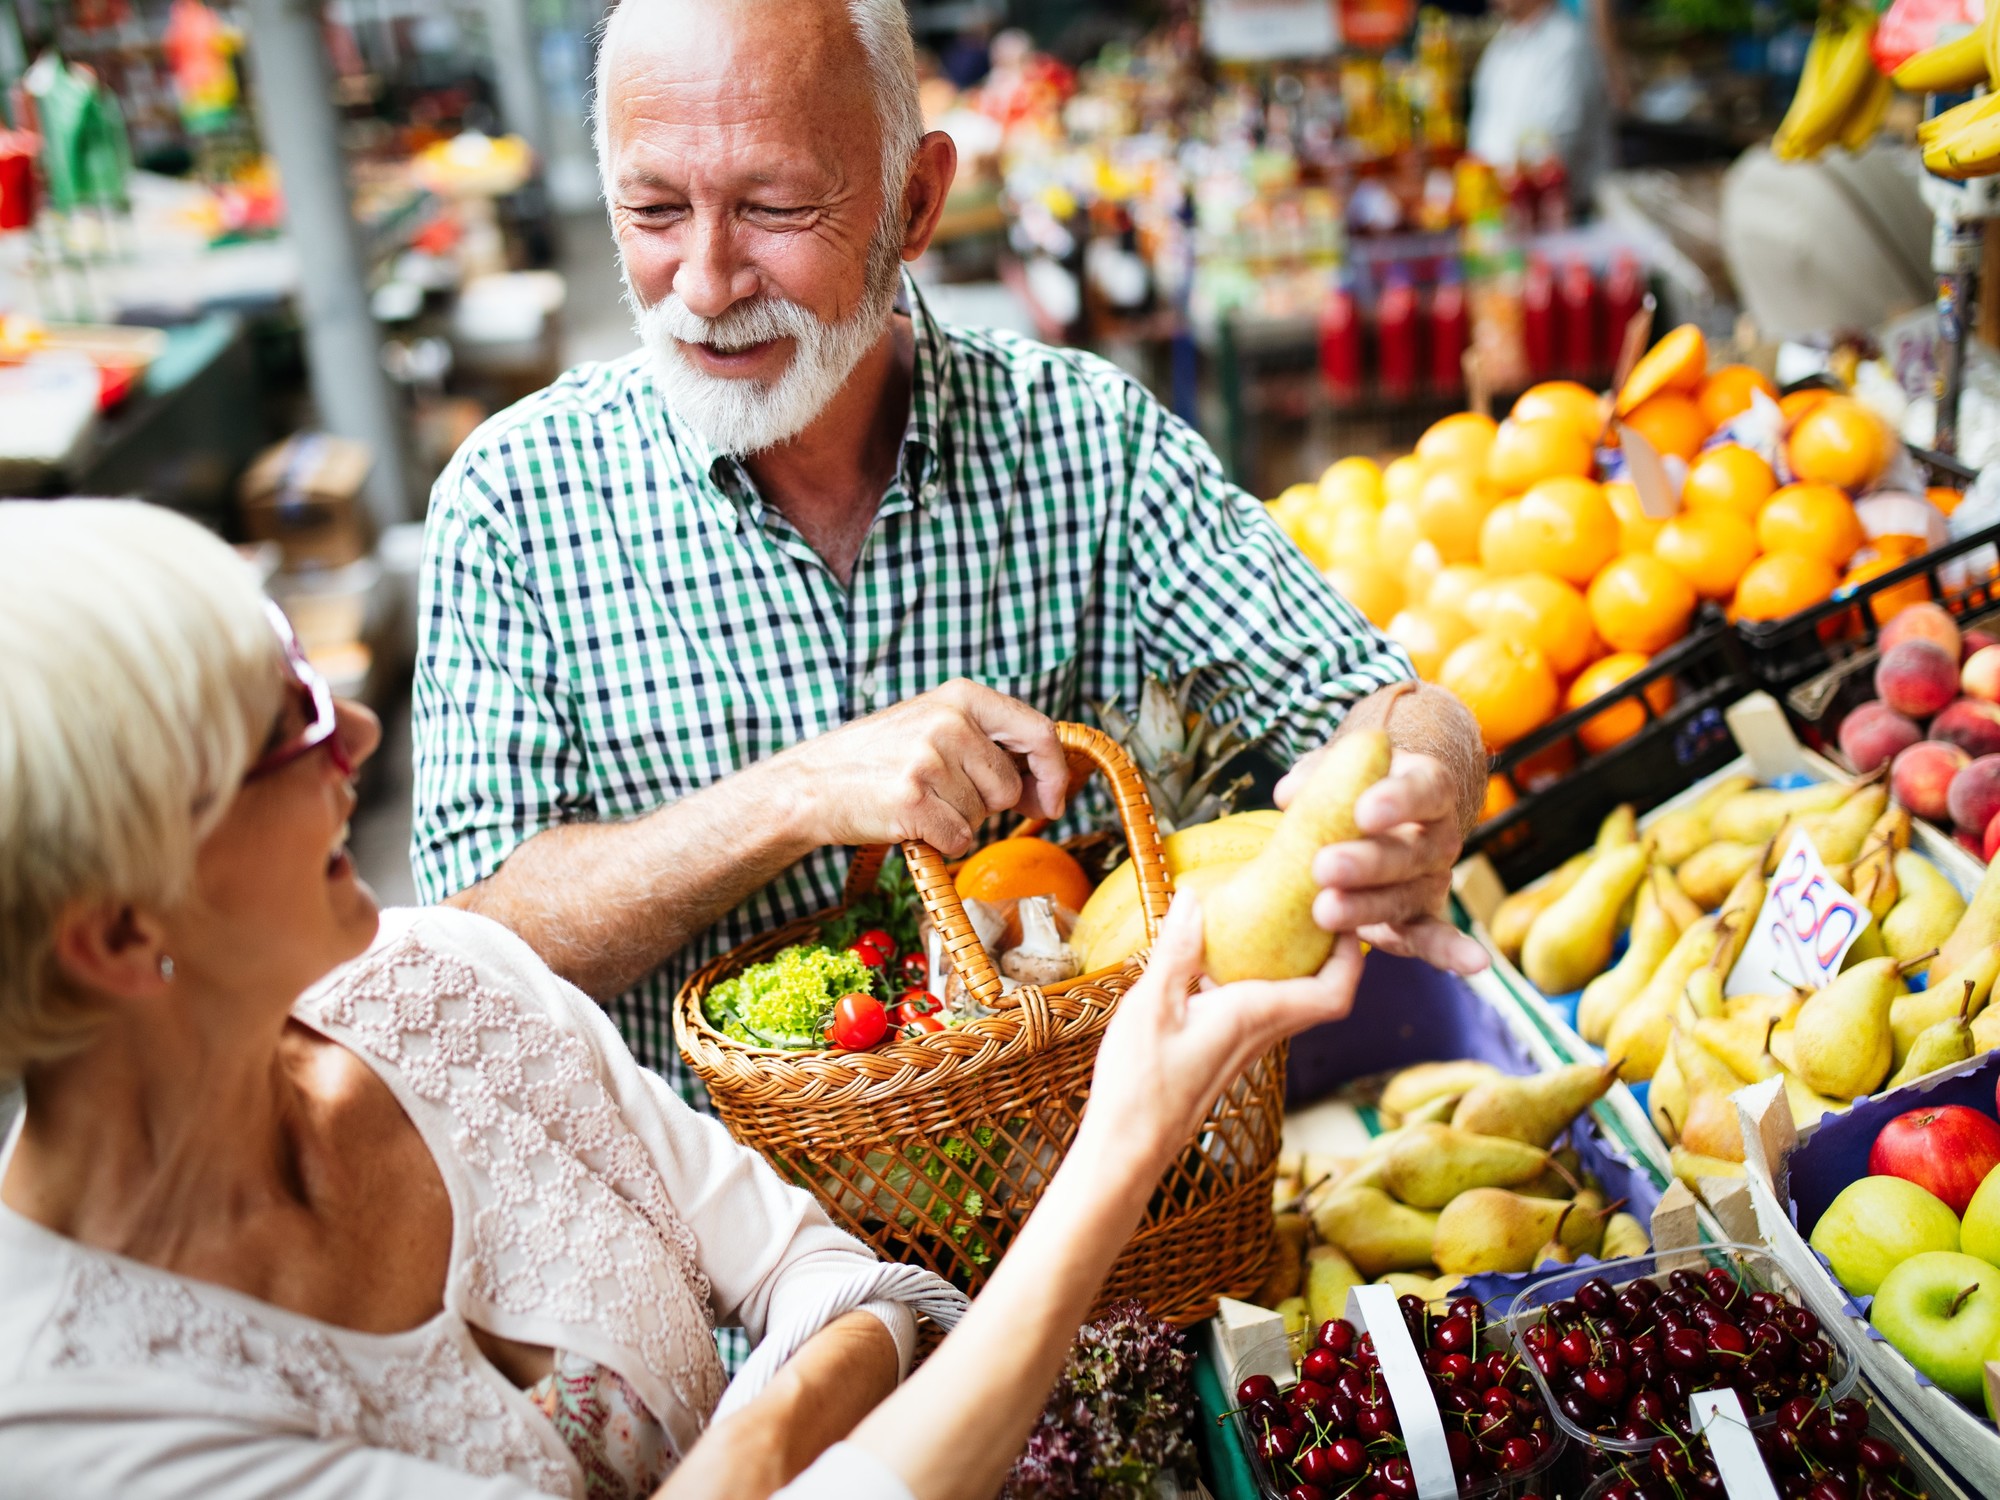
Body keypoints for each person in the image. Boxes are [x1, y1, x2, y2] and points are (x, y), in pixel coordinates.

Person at [0, 499, 1367, 1500]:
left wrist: (753, 1453)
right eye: (287, 724)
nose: (358, 736)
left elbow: (853, 1287)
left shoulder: (440, 987)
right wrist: (1123, 1141)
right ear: (121, 931)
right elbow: (841, 1342)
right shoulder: (78, 1429)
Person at [412, 0, 1488, 1111]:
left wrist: (1422, 792)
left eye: (774, 207)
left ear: (915, 201)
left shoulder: (1085, 442)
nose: (703, 281)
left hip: (1079, 1217)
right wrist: (791, 798)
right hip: (706, 1256)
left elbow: (1390, 705)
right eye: (650, 210)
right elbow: (467, 957)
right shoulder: (516, 500)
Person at [1467, 0, 1616, 204]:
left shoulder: (1567, 44)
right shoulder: (1498, 51)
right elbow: (1481, 144)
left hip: (1570, 215)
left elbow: (1553, 155)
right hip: (1499, 208)